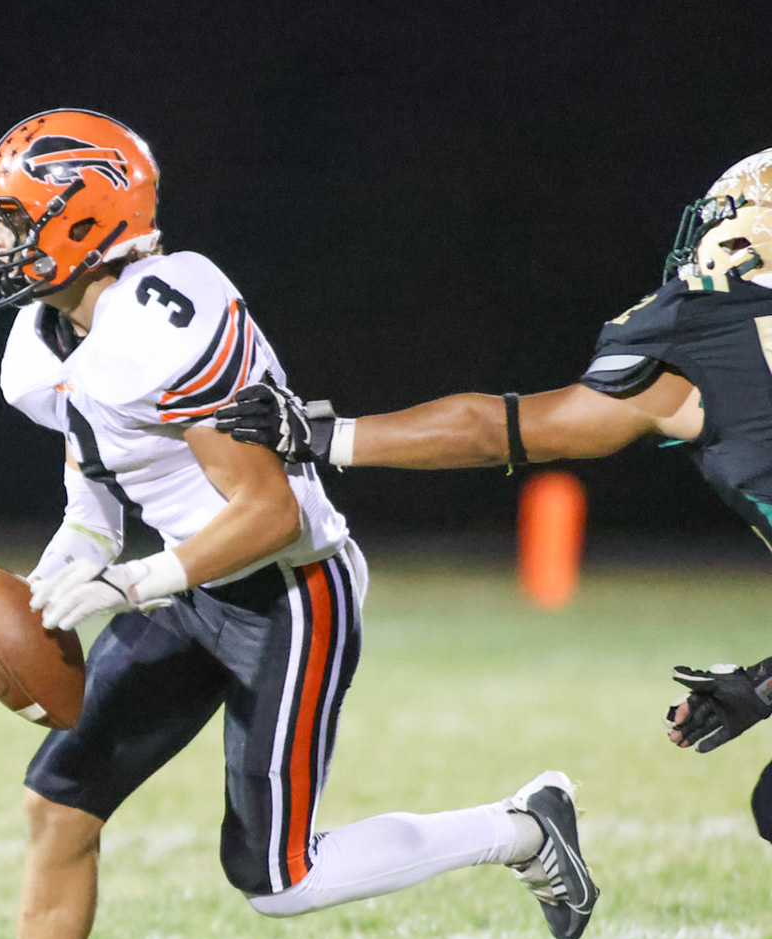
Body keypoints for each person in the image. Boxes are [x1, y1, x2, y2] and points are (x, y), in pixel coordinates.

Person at [0, 109, 600, 939]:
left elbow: (273, 513)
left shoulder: (166, 321)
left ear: (80, 221)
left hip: (289, 590)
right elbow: (95, 493)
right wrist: (59, 574)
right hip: (182, 582)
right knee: (59, 801)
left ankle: (524, 827)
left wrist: (130, 581)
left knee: (280, 880)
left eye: (13, 218)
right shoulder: (42, 346)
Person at [214, 148, 772, 825]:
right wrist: (328, 436)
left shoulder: (699, 334)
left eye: (734, 223)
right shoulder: (704, 349)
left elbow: (507, 429)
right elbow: (507, 430)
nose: (713, 245)